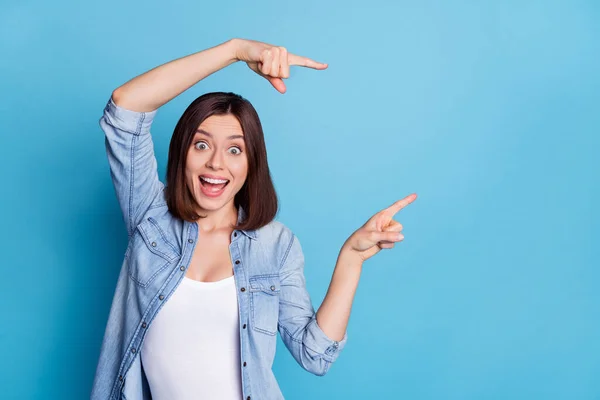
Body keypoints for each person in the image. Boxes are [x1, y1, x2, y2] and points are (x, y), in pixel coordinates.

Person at [90, 38, 417, 400]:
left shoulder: (275, 245)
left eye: (235, 149)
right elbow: (125, 108)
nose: (216, 162)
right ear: (182, 153)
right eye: (201, 145)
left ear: (251, 165)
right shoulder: (151, 218)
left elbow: (315, 354)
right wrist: (235, 50)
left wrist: (352, 258)